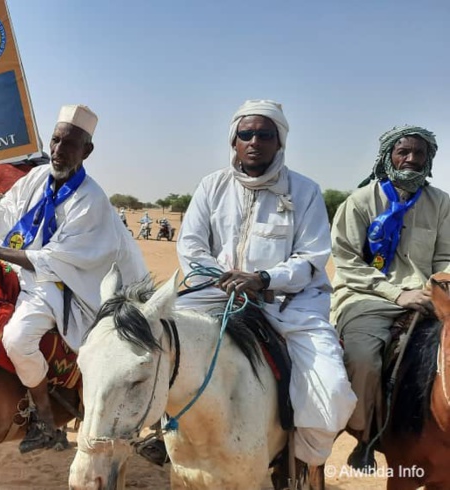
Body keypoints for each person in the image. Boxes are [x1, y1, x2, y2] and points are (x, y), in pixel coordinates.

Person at [0, 104, 149, 453]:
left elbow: (56, 260)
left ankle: (44, 419)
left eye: (69, 144)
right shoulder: (35, 178)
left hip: (58, 282)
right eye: (55, 141)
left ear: (86, 151)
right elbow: (0, 216)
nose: (59, 150)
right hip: (16, 265)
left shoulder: (92, 200)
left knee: (17, 339)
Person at [176, 99, 356, 470]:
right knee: (157, 346)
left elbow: (311, 256)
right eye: (246, 134)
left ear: (279, 142)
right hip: (215, 295)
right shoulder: (212, 186)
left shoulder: (305, 190)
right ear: (234, 142)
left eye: (264, 134)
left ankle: (302, 462)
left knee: (333, 391)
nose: (254, 141)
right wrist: (221, 277)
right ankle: (159, 435)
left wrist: (262, 279)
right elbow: (191, 244)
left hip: (289, 304)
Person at [330, 126, 447, 469]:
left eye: (419, 153)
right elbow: (347, 262)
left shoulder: (441, 202)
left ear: (429, 159)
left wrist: (438, 284)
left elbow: (445, 257)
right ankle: (365, 437)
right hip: (364, 296)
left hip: (426, 295)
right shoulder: (360, 201)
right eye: (403, 152)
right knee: (364, 358)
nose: (411, 159)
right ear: (388, 156)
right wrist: (397, 294)